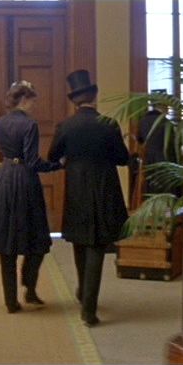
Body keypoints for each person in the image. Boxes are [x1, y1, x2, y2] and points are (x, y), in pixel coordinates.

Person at [48, 69, 129, 327]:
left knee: (80, 241)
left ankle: (83, 292)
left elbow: (52, 157)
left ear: (74, 100)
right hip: (104, 188)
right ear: (94, 96)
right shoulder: (108, 124)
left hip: (77, 189)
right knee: (97, 245)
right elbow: (123, 159)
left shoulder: (65, 126)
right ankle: (89, 310)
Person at [0, 80, 61, 313]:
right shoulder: (29, 124)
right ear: (24, 99)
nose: (33, 105)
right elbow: (33, 161)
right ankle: (29, 287)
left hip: (5, 178)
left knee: (6, 242)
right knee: (37, 238)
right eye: (32, 100)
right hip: (25, 181)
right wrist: (57, 165)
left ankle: (11, 301)